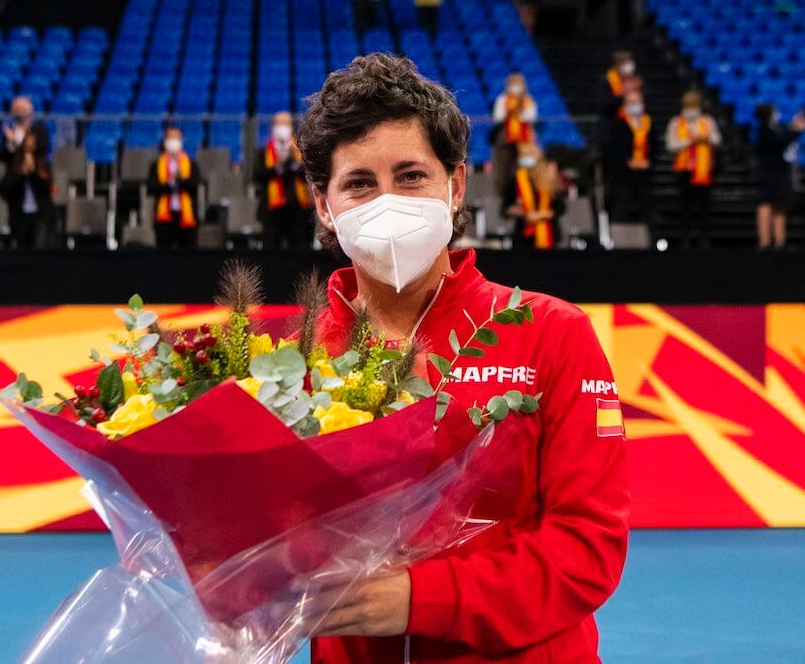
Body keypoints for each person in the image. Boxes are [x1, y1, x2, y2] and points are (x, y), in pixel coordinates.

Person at [297, 53, 627, 662]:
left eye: (411, 175)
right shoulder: (292, 359)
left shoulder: (553, 334)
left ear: (456, 185)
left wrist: (423, 600)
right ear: (324, 204)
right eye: (359, 184)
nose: (387, 201)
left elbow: (588, 548)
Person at [666, 91, 721, 248]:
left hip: (703, 170)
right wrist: (689, 140)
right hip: (684, 170)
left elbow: (718, 140)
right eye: (689, 106)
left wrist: (705, 138)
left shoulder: (707, 121)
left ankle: (704, 238)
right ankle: (685, 238)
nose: (692, 109)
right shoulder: (676, 122)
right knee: (685, 205)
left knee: (704, 206)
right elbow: (671, 145)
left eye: (695, 106)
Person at [0, 97, 54, 249]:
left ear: (31, 112)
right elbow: (2, 156)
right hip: (17, 200)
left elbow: (42, 148)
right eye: (17, 110)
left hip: (39, 198)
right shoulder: (7, 135)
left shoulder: (39, 132)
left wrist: (17, 143)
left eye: (24, 110)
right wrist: (12, 143)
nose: (20, 113)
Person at [253, 111, 312, 249]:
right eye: (279, 123)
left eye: (285, 123)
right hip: (272, 208)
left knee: (299, 246)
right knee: (272, 247)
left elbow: (307, 174)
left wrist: (293, 160)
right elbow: (258, 176)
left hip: (297, 207)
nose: (282, 127)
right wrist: (277, 166)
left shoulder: (300, 149)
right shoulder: (264, 151)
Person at [754, 104, 805, 250]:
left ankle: (780, 242)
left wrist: (794, 128)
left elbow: (783, 138)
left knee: (780, 206)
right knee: (765, 205)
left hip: (780, 172)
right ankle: (764, 241)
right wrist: (795, 130)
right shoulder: (763, 131)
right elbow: (779, 143)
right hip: (768, 172)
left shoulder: (776, 129)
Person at [147, 126, 201, 249]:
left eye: (176, 137)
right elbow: (152, 188)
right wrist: (170, 183)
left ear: (181, 140)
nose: (173, 141)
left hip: (187, 218)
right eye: (170, 137)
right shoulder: (156, 165)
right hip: (164, 219)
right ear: (165, 140)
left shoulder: (191, 164)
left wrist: (181, 180)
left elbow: (195, 186)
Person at [603, 89, 652, 224]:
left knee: (645, 211)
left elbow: (654, 146)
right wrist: (627, 161)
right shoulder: (617, 123)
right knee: (620, 209)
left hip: (643, 175)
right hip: (622, 175)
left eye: (637, 101)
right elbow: (613, 147)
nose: (635, 104)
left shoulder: (647, 123)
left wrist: (649, 162)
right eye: (631, 102)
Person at [505, 142, 565, 249]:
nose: (525, 157)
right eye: (522, 154)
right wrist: (519, 211)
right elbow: (505, 208)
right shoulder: (517, 180)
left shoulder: (549, 180)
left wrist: (541, 215)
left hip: (549, 235)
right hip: (523, 235)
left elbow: (561, 207)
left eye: (529, 154)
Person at [490, 73, 537, 207]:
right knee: (504, 170)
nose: (515, 87)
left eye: (518, 83)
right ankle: (504, 199)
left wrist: (518, 109)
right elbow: (498, 117)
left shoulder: (527, 100)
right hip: (505, 141)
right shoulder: (502, 100)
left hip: (524, 142)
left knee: (522, 170)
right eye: (513, 83)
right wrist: (511, 111)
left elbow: (530, 117)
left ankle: (524, 197)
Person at [597, 50, 638, 116]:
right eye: (624, 62)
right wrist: (624, 96)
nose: (629, 65)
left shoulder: (634, 80)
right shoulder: (606, 80)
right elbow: (605, 103)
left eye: (629, 61)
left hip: (629, 120)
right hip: (611, 119)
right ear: (616, 65)